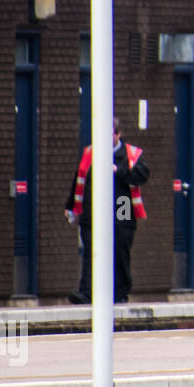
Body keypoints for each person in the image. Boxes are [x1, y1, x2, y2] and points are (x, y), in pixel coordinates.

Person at [65, 117, 149, 304]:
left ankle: (119, 293)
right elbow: (79, 178)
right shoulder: (90, 153)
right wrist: (70, 205)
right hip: (93, 207)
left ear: (118, 134)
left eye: (108, 133)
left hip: (122, 204)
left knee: (120, 248)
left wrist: (119, 170)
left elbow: (142, 175)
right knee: (90, 249)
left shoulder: (131, 154)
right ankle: (86, 292)